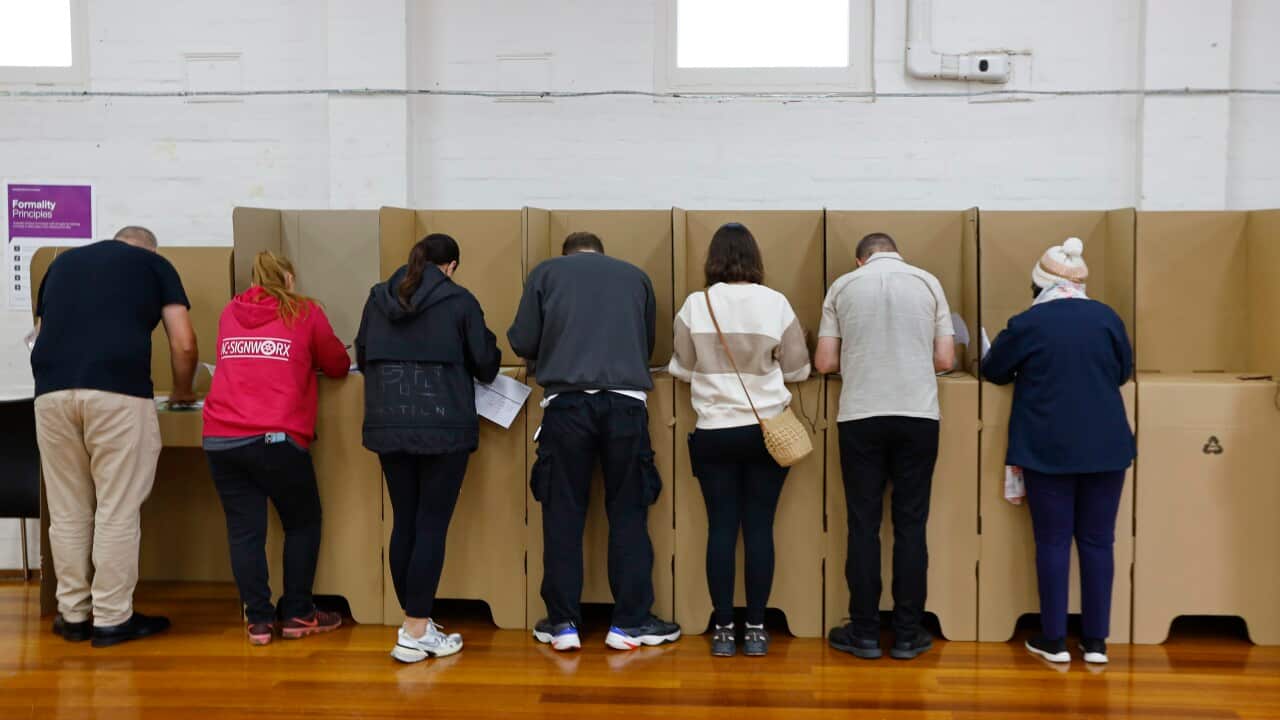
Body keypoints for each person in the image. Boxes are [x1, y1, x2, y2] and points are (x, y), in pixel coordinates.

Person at [509, 231, 681, 652]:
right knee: (628, 510)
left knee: (562, 511)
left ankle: (563, 623)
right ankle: (630, 622)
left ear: (566, 254)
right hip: (625, 405)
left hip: (567, 406)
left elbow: (522, 340)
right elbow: (647, 344)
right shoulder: (635, 277)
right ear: (602, 252)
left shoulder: (546, 273)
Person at [31, 226, 198, 647]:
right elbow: (183, 344)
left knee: (67, 508)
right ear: (148, 248)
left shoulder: (60, 263)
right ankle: (111, 617)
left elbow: (39, 334)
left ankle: (73, 614)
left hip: (50, 393)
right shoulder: (154, 264)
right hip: (118, 393)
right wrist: (181, 391)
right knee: (117, 506)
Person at [982, 237, 1135, 666]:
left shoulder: (1029, 322)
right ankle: (1096, 643)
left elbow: (993, 370)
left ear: (1040, 284)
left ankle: (1052, 640)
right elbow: (1124, 371)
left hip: (1046, 447)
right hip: (1107, 446)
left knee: (1052, 542)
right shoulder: (1107, 318)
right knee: (1098, 541)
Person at [355, 234, 501, 663]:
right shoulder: (459, 302)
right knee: (432, 524)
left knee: (406, 521)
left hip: (388, 421)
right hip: (443, 427)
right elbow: (486, 365)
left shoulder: (377, 298)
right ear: (451, 265)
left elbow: (362, 356)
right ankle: (415, 630)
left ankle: (414, 622)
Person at [668, 223, 810, 658]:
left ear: (712, 259)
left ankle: (724, 630)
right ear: (755, 258)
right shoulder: (776, 304)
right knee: (760, 529)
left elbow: (683, 368)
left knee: (722, 529)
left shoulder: (696, 304)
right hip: (765, 432)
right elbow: (799, 369)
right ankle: (757, 629)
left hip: (713, 432)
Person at [816, 232, 955, 661]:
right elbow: (946, 360)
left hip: (861, 415)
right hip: (917, 414)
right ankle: (909, 634)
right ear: (898, 252)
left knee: (863, 526)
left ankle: (864, 633)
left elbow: (824, 362)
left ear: (861, 261)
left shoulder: (842, 286)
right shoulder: (928, 282)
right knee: (911, 525)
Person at [202, 251, 350, 645]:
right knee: (302, 522)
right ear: (287, 278)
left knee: (245, 532)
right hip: (275, 437)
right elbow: (337, 363)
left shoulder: (228, 313)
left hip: (221, 437)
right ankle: (300, 613)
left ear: (253, 280)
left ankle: (260, 622)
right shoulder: (305, 312)